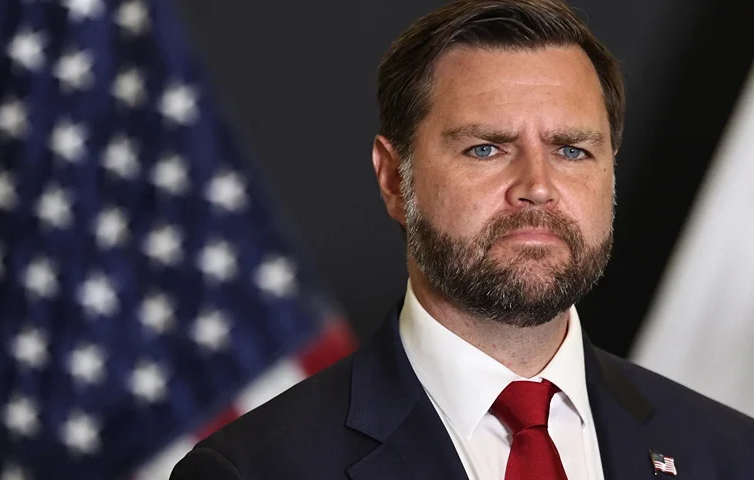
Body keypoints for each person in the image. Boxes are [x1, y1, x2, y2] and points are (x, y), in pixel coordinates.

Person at [170, 0, 754, 478]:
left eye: (572, 150)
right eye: (486, 148)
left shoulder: (730, 454)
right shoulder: (256, 469)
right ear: (393, 179)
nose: (537, 187)